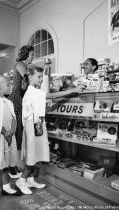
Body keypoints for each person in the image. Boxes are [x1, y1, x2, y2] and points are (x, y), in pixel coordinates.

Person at [15, 66, 84, 194]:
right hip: (33, 126)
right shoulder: (32, 91)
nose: (41, 79)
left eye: (42, 76)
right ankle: (21, 180)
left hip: (37, 125)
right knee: (32, 156)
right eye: (39, 76)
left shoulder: (34, 90)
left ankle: (30, 179)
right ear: (30, 77)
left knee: (35, 155)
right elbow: (51, 95)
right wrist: (73, 90)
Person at [8, 45, 34, 178]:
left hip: (20, 99)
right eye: (31, 54)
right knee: (15, 132)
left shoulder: (23, 65)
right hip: (17, 100)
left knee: (18, 132)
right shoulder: (21, 64)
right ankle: (11, 166)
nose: (32, 57)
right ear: (26, 54)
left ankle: (13, 164)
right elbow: (26, 83)